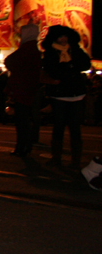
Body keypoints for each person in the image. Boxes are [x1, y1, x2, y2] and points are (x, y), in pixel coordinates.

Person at [41, 24, 91, 169]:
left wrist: (68, 68)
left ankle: (76, 160)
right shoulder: (50, 52)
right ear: (54, 38)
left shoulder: (75, 49)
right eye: (60, 36)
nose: (63, 39)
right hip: (59, 95)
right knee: (59, 127)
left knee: (75, 128)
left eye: (65, 36)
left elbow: (85, 64)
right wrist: (70, 69)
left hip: (76, 94)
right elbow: (53, 71)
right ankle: (56, 158)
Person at [2, 24, 42, 157]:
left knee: (21, 120)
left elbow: (9, 60)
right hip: (32, 88)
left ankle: (22, 146)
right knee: (29, 119)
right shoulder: (34, 50)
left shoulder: (26, 49)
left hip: (22, 89)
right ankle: (27, 144)